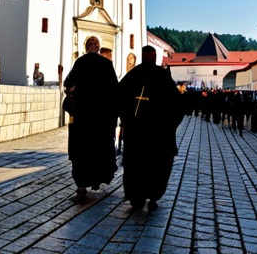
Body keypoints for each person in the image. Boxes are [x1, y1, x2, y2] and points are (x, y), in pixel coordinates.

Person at [119, 46, 184, 211]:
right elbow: (178, 105)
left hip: (137, 134)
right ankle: (153, 197)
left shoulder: (132, 75)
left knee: (136, 167)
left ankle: (136, 199)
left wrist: (126, 121)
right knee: (157, 166)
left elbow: (117, 98)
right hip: (158, 135)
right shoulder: (162, 76)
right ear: (154, 57)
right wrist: (170, 126)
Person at [63, 37, 119, 202]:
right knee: (99, 150)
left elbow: (68, 82)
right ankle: (96, 180)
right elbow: (115, 90)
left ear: (86, 47)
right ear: (98, 48)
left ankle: (81, 186)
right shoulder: (106, 64)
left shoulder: (80, 62)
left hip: (82, 118)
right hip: (102, 119)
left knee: (81, 151)